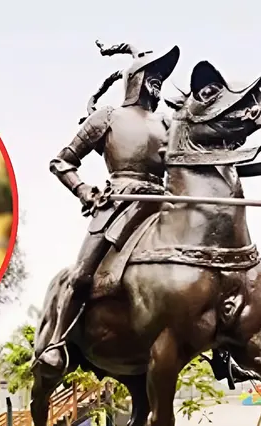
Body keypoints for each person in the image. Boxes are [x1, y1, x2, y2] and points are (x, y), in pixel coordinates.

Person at [36, 42, 180, 371]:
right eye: (153, 73)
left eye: (161, 74)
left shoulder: (166, 123)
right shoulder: (108, 117)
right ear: (135, 78)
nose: (158, 79)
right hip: (117, 205)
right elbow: (62, 161)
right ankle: (57, 343)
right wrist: (84, 190)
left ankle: (222, 348)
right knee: (82, 275)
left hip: (163, 204)